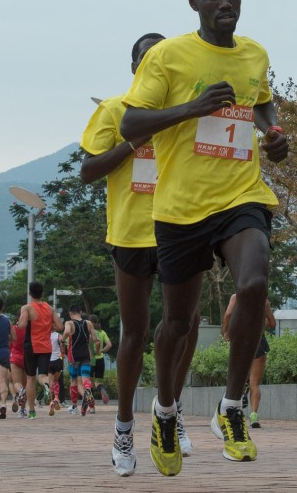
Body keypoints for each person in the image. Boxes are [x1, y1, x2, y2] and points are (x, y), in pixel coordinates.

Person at [120, 0, 289, 475]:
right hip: (180, 207)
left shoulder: (255, 53)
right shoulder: (169, 56)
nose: (225, 4)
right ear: (193, 2)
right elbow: (131, 123)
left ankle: (232, 406)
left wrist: (273, 133)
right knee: (177, 323)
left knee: (255, 282)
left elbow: (261, 102)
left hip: (240, 195)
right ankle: (166, 411)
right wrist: (192, 109)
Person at [81, 32, 200, 475]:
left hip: (183, 228)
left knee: (183, 326)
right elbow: (88, 170)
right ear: (136, 68)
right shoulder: (114, 111)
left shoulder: (185, 111)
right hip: (132, 233)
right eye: (147, 59)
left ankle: (170, 408)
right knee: (134, 333)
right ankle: (124, 426)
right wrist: (134, 140)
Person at [222, 294, 276, 428]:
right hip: (258, 340)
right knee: (255, 383)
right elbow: (273, 323)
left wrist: (225, 331)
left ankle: (235, 412)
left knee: (238, 379)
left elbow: (228, 314)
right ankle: (254, 416)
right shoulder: (264, 300)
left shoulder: (236, 297)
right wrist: (260, 323)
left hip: (240, 340)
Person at [17, 282, 64, 419]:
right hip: (46, 346)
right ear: (42, 293)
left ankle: (31, 411)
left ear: (29, 293)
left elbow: (23, 324)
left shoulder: (27, 308)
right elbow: (60, 326)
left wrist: (18, 323)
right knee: (42, 375)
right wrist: (49, 325)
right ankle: (46, 385)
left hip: (31, 346)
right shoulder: (50, 308)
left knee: (30, 378)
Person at [62, 304, 96, 417]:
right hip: (86, 355)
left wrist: (62, 340)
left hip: (73, 356)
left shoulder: (69, 323)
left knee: (73, 381)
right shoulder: (89, 323)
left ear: (70, 313)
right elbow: (95, 339)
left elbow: (66, 332)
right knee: (85, 379)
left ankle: (75, 406)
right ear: (80, 312)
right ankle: (87, 392)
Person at [88, 314, 113, 404]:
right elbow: (109, 345)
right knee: (98, 382)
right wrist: (102, 351)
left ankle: (90, 402)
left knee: (88, 383)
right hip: (100, 359)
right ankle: (102, 390)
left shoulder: (89, 333)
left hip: (91, 360)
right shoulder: (102, 332)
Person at [9, 314, 28, 417]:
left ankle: (20, 391)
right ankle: (23, 410)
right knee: (25, 384)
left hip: (15, 357)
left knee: (16, 382)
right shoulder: (29, 330)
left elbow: (10, 344)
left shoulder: (14, 329)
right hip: (27, 358)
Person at [47, 329, 65, 416]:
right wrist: (63, 353)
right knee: (56, 380)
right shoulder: (57, 335)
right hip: (58, 359)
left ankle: (51, 401)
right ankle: (57, 398)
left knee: (50, 382)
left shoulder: (44, 335)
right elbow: (62, 342)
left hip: (48, 360)